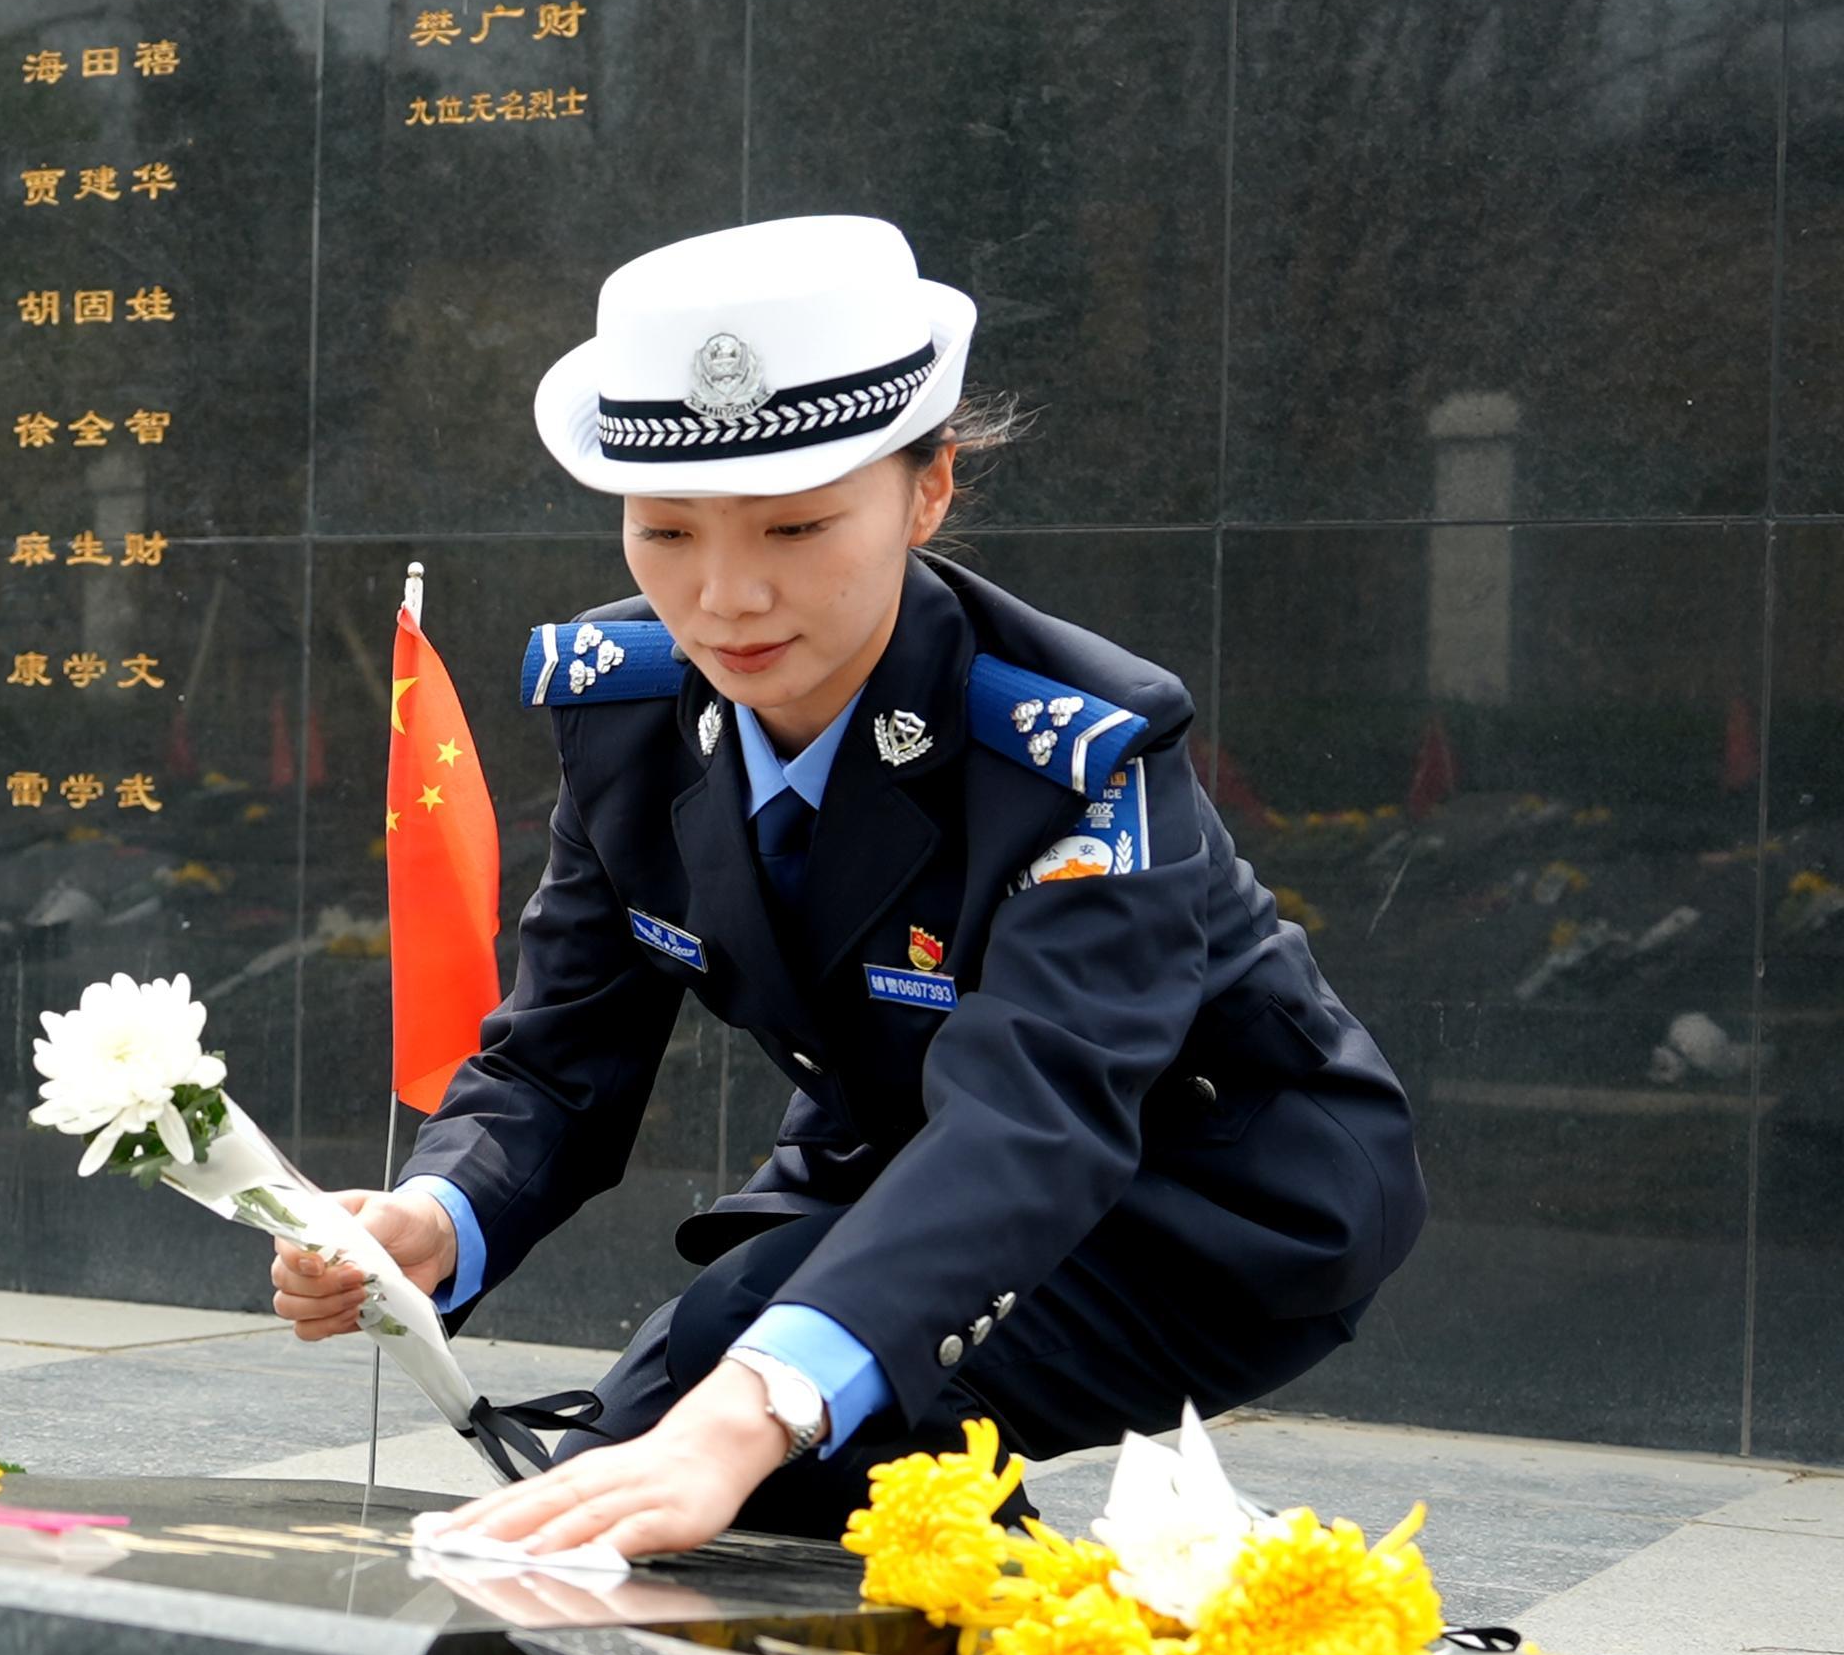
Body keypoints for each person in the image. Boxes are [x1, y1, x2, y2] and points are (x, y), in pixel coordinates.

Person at [270, 216, 1426, 1559]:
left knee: (770, 1434)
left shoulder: (1072, 747)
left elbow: (1036, 1117)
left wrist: (750, 1415)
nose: (725, 598)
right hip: (903, 1159)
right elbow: (562, 1056)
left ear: (928, 492)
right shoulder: (630, 711)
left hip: (1213, 1191)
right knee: (637, 1464)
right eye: (666, 531)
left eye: (798, 526)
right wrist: (436, 1217)